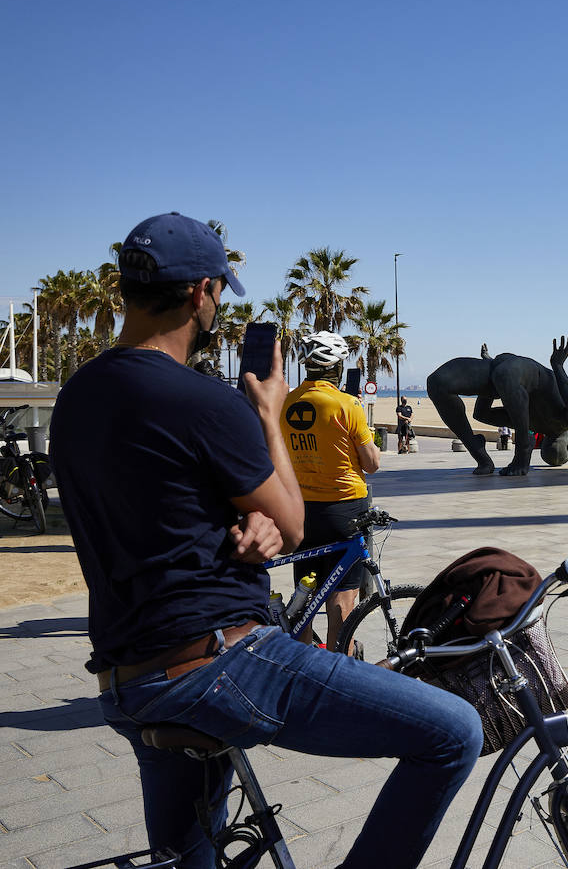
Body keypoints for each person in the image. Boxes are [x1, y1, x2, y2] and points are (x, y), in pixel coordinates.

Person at [49, 213, 481, 869]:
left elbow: (154, 503)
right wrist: (265, 409)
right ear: (201, 292)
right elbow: (294, 522)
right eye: (220, 293)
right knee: (455, 732)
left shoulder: (79, 396)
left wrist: (241, 523)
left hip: (127, 672)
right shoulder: (203, 400)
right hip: (218, 662)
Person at [282, 330, 381, 652]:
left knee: (303, 596)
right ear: (337, 368)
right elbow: (371, 464)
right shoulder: (346, 404)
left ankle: (303, 667)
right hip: (345, 509)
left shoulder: (285, 402)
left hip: (302, 510)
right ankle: (341, 665)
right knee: (342, 597)